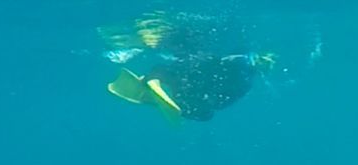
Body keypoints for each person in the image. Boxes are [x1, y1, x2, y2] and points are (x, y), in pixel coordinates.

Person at [107, 51, 275, 122]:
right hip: (193, 78)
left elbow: (224, 101)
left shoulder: (245, 80)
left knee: (205, 114)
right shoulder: (242, 66)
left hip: (196, 87)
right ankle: (154, 81)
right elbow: (212, 64)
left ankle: (155, 86)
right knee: (184, 81)